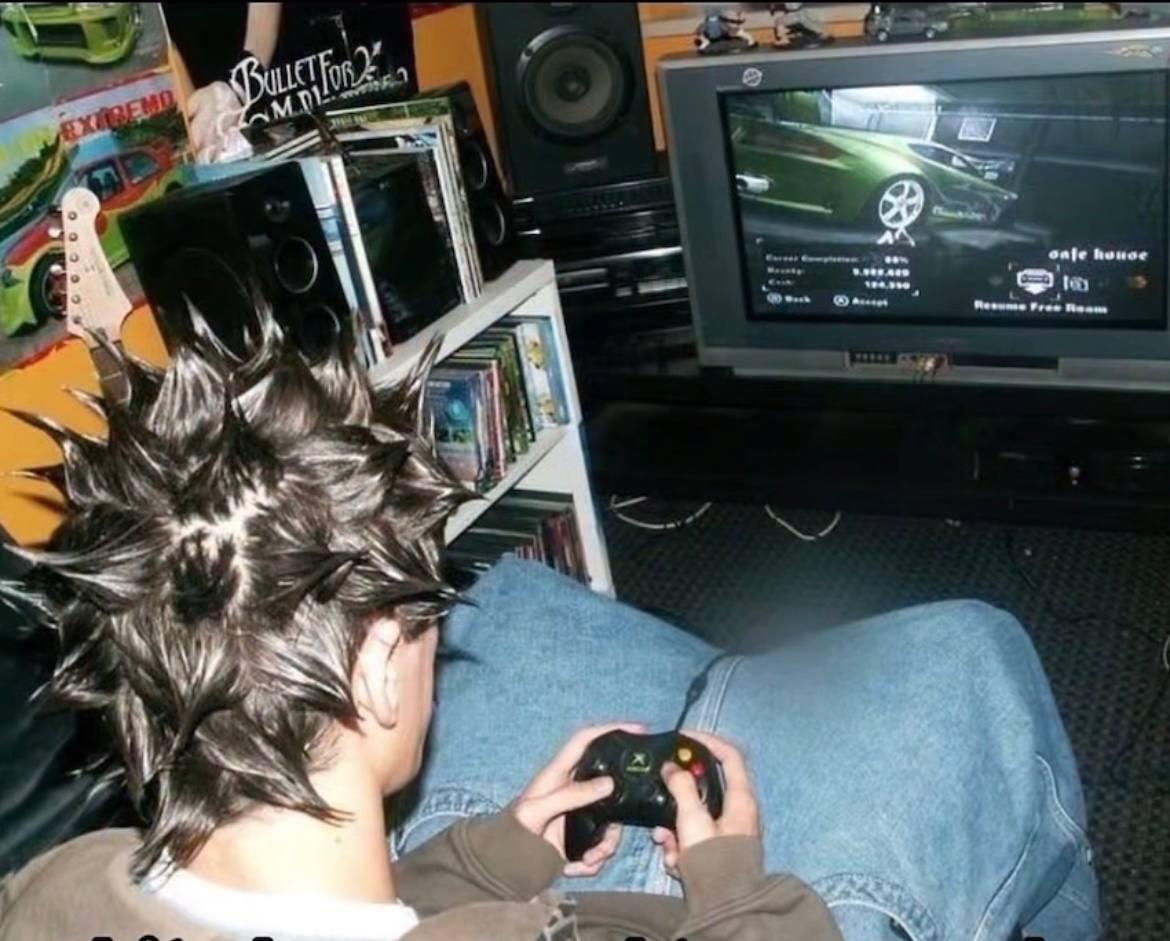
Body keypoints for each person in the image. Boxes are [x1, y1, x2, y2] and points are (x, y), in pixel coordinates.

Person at [0, 302, 1099, 941]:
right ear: (379, 664)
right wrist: (735, 885)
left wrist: (489, 853)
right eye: (422, 616)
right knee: (974, 659)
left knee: (518, 607)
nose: (436, 630)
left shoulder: (58, 885)